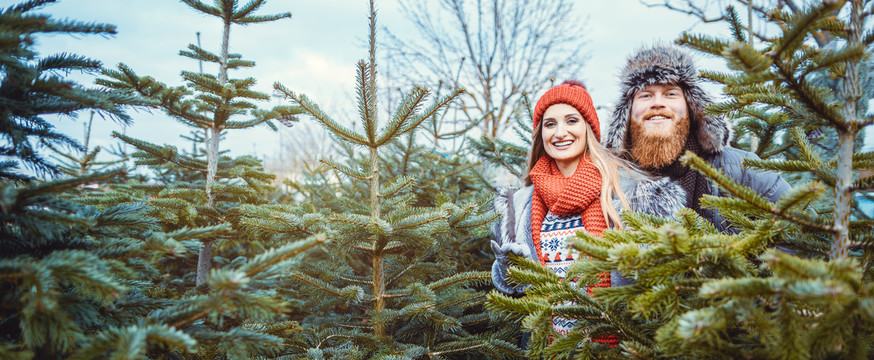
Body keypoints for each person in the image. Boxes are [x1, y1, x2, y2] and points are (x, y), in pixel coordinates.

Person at [490, 80, 685, 341]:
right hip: (544, 349)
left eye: (571, 121)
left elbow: (667, 282)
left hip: (618, 348)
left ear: (588, 128)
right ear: (541, 134)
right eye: (550, 124)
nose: (560, 133)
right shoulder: (520, 203)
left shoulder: (630, 191)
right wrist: (509, 268)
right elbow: (513, 293)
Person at [604, 44, 790, 232]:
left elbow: (800, 231)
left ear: (691, 106)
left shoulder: (742, 170)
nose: (658, 103)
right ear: (627, 112)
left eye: (670, 94)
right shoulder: (611, 182)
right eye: (645, 95)